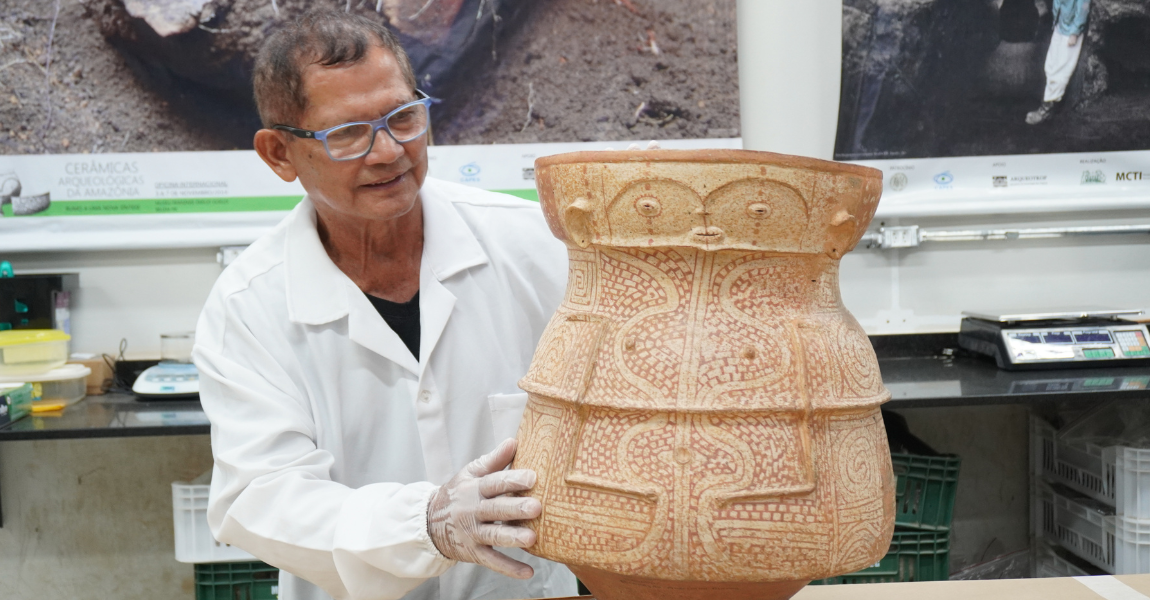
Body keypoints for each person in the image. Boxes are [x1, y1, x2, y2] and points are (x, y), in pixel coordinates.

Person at [192, 9, 576, 600]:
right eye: (346, 133)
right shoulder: (249, 306)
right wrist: (427, 524)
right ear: (278, 154)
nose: (389, 152)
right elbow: (262, 497)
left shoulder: (533, 246)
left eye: (403, 116)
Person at [1026, 0, 1091, 125]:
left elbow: (1083, 7)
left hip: (1071, 31)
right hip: (1060, 27)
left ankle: (1046, 110)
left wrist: (1075, 32)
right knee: (1050, 66)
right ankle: (1050, 105)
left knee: (1061, 70)